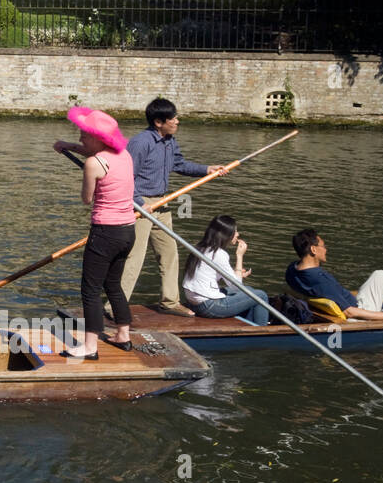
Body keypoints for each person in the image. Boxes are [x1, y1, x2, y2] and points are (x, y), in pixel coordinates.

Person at [119, 98, 225, 316]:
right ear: (159, 121)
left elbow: (180, 164)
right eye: (173, 118)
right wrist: (140, 204)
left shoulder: (169, 141)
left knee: (169, 254)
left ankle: (169, 302)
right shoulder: (141, 142)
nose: (177, 121)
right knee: (134, 258)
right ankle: (115, 305)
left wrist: (207, 169)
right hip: (139, 205)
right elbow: (124, 178)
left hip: (162, 204)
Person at [53, 106, 135, 360]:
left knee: (90, 289)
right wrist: (68, 146)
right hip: (127, 231)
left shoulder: (93, 163)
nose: (80, 138)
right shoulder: (124, 155)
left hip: (104, 233)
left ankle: (89, 347)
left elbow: (87, 199)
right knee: (113, 284)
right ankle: (123, 335)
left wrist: (90, 175)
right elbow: (95, 153)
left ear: (99, 138)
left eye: (84, 135)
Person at [181, 216, 270, 325]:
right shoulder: (219, 254)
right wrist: (239, 256)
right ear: (225, 235)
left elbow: (210, 274)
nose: (237, 234)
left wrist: (236, 273)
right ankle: (261, 332)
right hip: (208, 307)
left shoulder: (201, 247)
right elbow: (237, 286)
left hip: (194, 302)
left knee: (249, 289)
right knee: (261, 296)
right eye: (235, 231)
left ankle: (248, 325)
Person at [286, 230, 383, 321]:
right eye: (323, 246)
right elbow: (350, 312)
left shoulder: (292, 269)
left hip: (349, 303)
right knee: (380, 274)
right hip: (359, 313)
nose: (326, 250)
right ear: (313, 250)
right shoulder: (320, 279)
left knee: (378, 276)